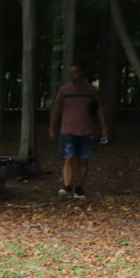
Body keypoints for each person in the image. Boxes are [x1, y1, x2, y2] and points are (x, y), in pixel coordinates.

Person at [49, 64, 108, 199]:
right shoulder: (64, 90)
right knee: (68, 158)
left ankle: (79, 188)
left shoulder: (91, 90)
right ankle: (67, 187)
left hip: (85, 131)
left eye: (75, 72)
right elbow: (57, 109)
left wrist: (104, 128)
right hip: (68, 130)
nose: (73, 74)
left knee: (83, 161)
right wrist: (51, 127)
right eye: (71, 72)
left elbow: (99, 109)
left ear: (82, 72)